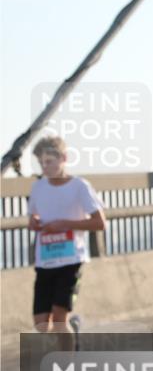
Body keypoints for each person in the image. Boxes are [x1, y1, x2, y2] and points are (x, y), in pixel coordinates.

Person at [27, 136, 105, 352]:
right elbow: (33, 215)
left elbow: (99, 223)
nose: (45, 167)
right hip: (45, 260)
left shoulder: (80, 186)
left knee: (59, 318)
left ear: (64, 158)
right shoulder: (38, 187)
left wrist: (64, 224)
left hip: (71, 259)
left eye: (49, 162)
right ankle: (73, 329)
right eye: (41, 163)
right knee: (42, 324)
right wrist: (34, 223)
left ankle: (67, 368)